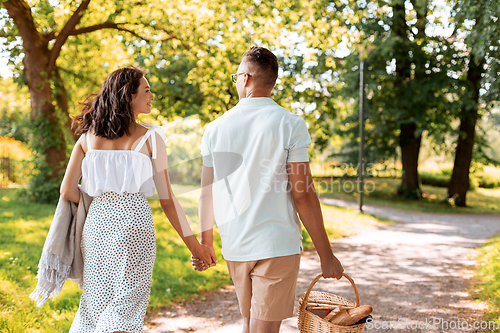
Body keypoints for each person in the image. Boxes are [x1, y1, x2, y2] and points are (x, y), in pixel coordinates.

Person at [192, 46, 344, 333]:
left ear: (246, 78)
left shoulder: (214, 128)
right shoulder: (290, 124)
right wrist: (326, 254)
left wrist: (206, 244)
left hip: (235, 245)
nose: (236, 81)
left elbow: (206, 193)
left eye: (236, 75)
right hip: (277, 245)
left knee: (252, 325)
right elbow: (303, 193)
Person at [60, 67, 217, 333]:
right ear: (128, 96)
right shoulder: (151, 137)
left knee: (94, 306)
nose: (151, 95)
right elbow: (167, 201)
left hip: (96, 227)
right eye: (146, 90)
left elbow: (67, 191)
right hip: (134, 225)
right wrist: (196, 247)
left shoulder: (87, 138)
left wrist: (99, 203)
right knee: (125, 310)